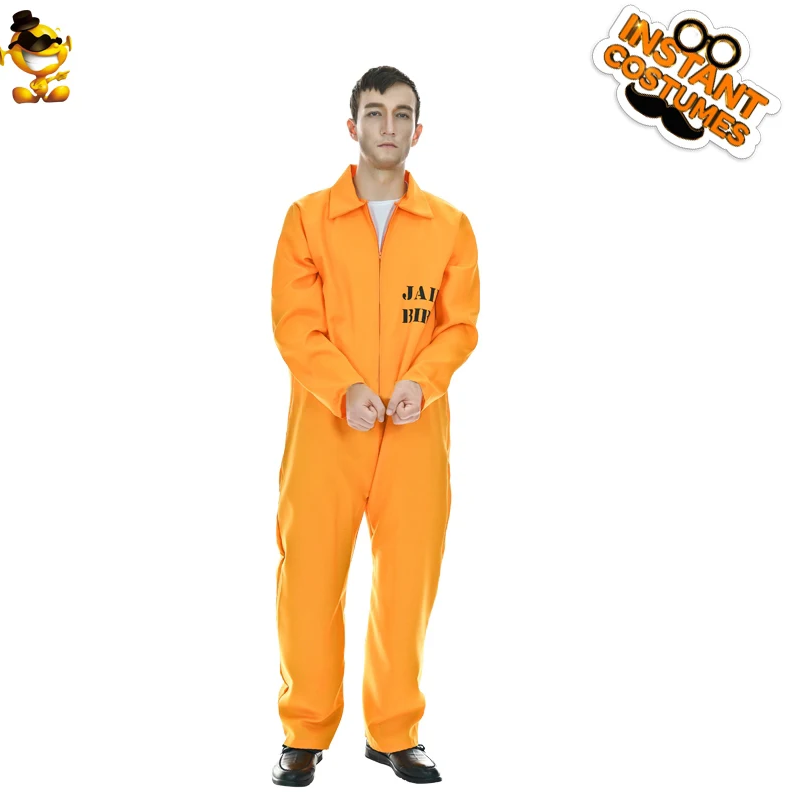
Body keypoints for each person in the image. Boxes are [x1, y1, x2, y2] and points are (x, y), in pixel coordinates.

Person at [270, 65, 480, 787]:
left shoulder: (450, 226)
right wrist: (346, 388)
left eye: (401, 114)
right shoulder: (307, 219)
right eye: (375, 112)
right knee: (309, 582)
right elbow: (294, 324)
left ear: (418, 131)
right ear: (352, 126)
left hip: (416, 433)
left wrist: (422, 383)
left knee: (407, 585)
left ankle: (394, 732)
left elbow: (460, 326)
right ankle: (303, 732)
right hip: (327, 431)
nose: (388, 126)